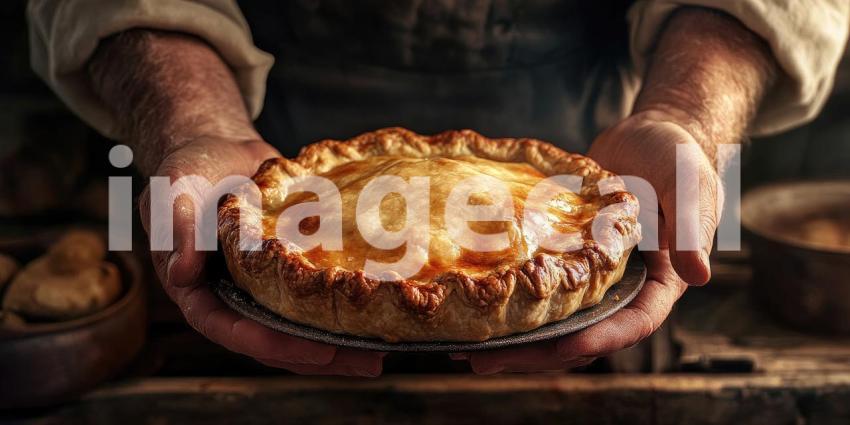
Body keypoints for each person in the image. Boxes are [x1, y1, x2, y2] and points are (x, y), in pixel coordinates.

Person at [27, 0, 849, 376]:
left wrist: (683, 114)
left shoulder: (589, 212)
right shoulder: (273, 214)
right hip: (247, 187)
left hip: (595, 190)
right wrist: (192, 125)